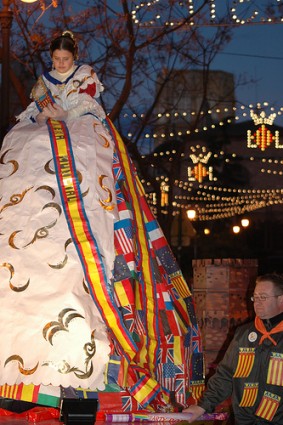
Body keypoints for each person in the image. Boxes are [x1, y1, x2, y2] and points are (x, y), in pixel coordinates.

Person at [0, 31, 204, 413]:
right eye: (56, 60)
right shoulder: (42, 84)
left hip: (78, 127)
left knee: (81, 145)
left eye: (65, 60)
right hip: (47, 130)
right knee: (24, 140)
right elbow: (30, 111)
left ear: (73, 57)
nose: (60, 65)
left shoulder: (85, 78)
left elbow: (87, 108)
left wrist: (66, 114)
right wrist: (39, 115)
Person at [184, 273, 283, 424]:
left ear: (281, 299)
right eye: (255, 297)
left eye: (263, 297)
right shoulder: (244, 334)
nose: (257, 302)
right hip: (244, 421)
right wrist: (203, 406)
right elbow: (226, 374)